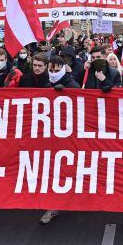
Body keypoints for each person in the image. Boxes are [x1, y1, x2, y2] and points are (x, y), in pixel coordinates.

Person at [38, 56, 80, 225]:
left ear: (64, 68)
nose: (54, 73)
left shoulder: (73, 86)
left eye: (57, 70)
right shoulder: (47, 86)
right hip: (52, 137)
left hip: (70, 137)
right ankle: (53, 206)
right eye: (51, 70)